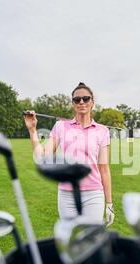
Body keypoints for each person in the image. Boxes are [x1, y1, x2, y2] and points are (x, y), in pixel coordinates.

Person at [23, 82, 114, 227]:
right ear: (73, 104)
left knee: (91, 240)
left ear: (92, 102)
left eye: (86, 98)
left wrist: (109, 202)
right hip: (67, 195)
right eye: (77, 100)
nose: (81, 102)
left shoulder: (102, 131)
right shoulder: (60, 126)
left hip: (94, 194)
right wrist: (33, 130)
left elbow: (104, 168)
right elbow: (42, 157)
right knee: (70, 240)